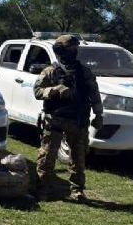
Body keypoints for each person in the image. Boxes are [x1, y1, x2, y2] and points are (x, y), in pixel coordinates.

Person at [33, 34, 103, 202]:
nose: (74, 51)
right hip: (55, 119)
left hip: (78, 120)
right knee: (47, 155)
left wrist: (99, 114)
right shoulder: (50, 72)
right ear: (60, 51)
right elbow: (37, 91)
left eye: (75, 49)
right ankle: (43, 188)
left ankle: (77, 190)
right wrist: (54, 90)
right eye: (70, 49)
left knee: (78, 157)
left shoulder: (84, 72)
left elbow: (94, 94)